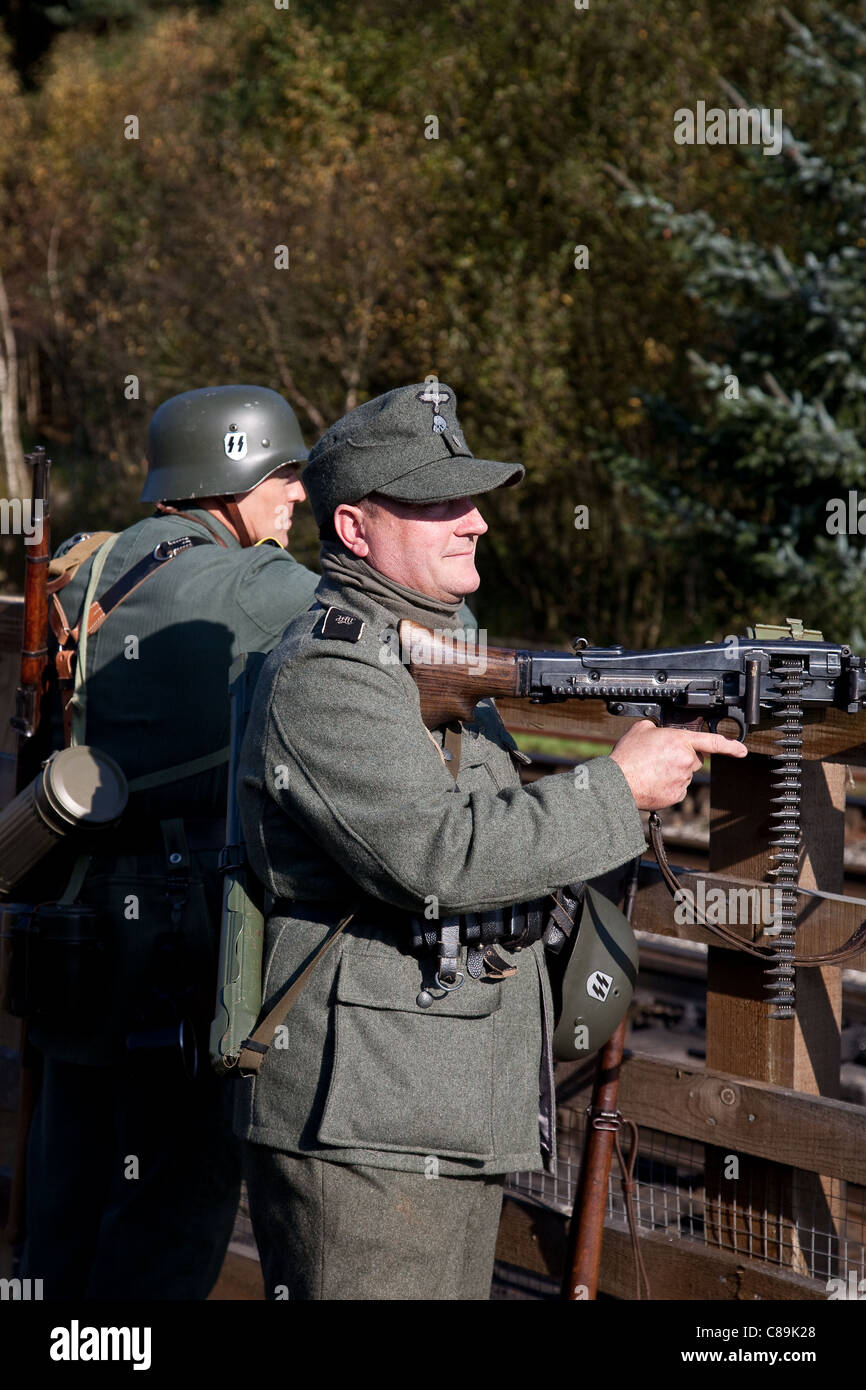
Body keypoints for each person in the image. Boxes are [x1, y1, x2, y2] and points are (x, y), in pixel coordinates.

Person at [235, 381, 747, 1301]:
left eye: (469, 500)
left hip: (429, 1105)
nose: (474, 522)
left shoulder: (420, 651)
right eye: (438, 503)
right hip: (365, 1122)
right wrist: (617, 788)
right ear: (354, 529)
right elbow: (436, 856)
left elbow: (490, 826)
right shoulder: (329, 673)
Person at [20, 384, 321, 1300]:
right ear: (230, 477)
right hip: (186, 950)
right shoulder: (262, 585)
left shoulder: (87, 564)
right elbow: (417, 642)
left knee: (63, 1200)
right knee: (171, 1220)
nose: (298, 497)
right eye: (283, 474)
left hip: (74, 931)